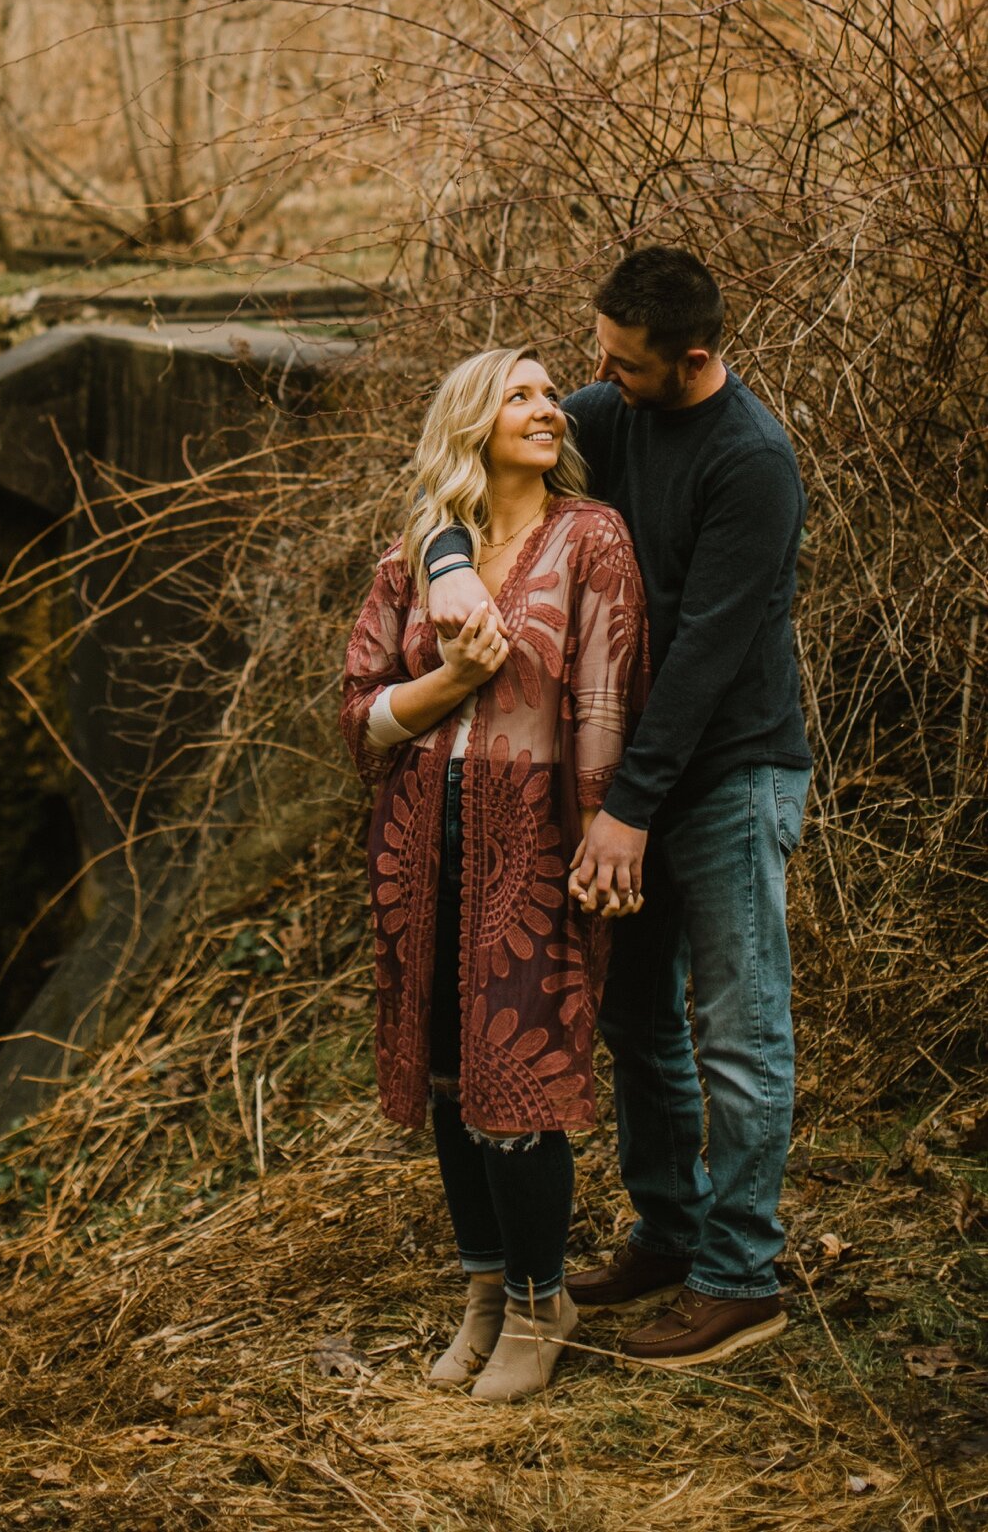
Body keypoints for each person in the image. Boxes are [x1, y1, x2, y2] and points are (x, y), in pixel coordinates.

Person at [425, 247, 811, 1369]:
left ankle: (740, 1277)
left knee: (737, 1031)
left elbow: (703, 658)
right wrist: (450, 561)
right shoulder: (611, 406)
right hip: (627, 787)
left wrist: (625, 811)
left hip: (731, 772)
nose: (596, 379)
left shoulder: (752, 464)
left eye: (623, 362)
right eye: (594, 354)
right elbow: (459, 465)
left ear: (693, 359)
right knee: (639, 1021)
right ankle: (668, 1232)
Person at [341, 345, 646, 1402]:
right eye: (519, 394)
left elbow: (607, 698)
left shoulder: (589, 539)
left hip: (534, 839)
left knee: (514, 1085)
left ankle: (539, 1300)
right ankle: (483, 1292)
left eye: (551, 393)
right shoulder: (414, 559)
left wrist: (608, 829)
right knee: (443, 1080)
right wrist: (451, 679)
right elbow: (361, 716)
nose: (547, 407)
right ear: (472, 419)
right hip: (419, 836)